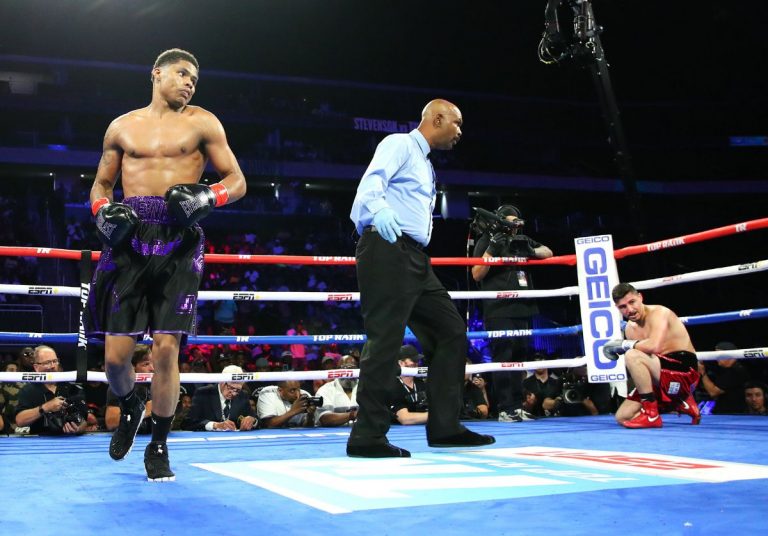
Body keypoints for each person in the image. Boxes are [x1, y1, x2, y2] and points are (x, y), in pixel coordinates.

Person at [84, 48, 247, 481]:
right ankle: (131, 404)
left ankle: (158, 444)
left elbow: (237, 180)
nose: (189, 83)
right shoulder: (122, 126)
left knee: (166, 349)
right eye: (182, 74)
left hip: (179, 237)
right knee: (115, 359)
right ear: (157, 73)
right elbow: (101, 184)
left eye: (194, 78)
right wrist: (103, 210)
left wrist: (209, 195)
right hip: (129, 235)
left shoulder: (203, 122)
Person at [348, 99, 494, 457]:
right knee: (385, 340)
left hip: (413, 256)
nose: (460, 132)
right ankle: (367, 436)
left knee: (450, 331)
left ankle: (445, 427)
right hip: (387, 246)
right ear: (438, 118)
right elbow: (370, 184)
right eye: (457, 123)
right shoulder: (399, 143)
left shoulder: (425, 163)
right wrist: (379, 211)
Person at [471, 204, 553, 423]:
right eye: (509, 222)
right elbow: (476, 274)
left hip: (523, 307)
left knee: (520, 358)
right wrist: (491, 250)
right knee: (503, 357)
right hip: (499, 309)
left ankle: (517, 406)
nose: (513, 227)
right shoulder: (486, 241)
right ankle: (505, 408)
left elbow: (548, 252)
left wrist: (531, 251)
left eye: (516, 223)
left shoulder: (521, 240)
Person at [604, 283, 701, 428]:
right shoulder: (630, 329)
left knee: (632, 354)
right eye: (623, 307)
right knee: (622, 417)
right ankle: (680, 401)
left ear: (640, 297)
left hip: (684, 371)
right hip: (659, 375)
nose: (630, 310)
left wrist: (623, 345)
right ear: (617, 308)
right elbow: (642, 365)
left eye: (632, 302)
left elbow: (654, 346)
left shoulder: (659, 313)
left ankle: (651, 414)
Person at [14, 346, 89, 435]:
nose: (53, 366)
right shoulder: (28, 390)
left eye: (55, 361)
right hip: (39, 440)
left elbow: (84, 421)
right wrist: (45, 408)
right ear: (36, 367)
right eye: (47, 362)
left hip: (71, 439)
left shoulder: (73, 388)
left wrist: (78, 428)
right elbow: (20, 421)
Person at [182, 365, 256, 431]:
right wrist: (215, 425)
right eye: (231, 388)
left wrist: (252, 420)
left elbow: (255, 418)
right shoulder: (204, 393)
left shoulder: (242, 395)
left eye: (238, 390)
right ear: (222, 382)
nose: (234, 393)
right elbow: (188, 422)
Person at [104, 345, 154, 435]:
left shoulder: (158, 385)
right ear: (132, 366)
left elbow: (169, 423)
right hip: (126, 437)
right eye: (146, 364)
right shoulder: (119, 386)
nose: (152, 368)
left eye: (153, 363)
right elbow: (112, 423)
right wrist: (145, 411)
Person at [696, 341, 749, 414]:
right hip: (724, 412)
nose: (716, 358)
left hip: (732, 414)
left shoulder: (736, 371)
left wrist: (702, 373)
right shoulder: (725, 369)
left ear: (729, 356)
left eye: (719, 355)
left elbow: (713, 392)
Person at [314, 355, 359, 427]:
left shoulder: (365, 388)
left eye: (352, 369)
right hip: (333, 433)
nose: (349, 374)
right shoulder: (325, 390)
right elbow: (325, 418)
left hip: (362, 431)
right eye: (345, 369)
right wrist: (352, 415)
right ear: (338, 370)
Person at [389, 345, 429, 426]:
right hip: (400, 432)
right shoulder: (393, 386)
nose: (416, 363)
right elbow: (405, 419)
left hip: (424, 428)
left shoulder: (421, 382)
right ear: (401, 363)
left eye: (417, 360)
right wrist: (437, 416)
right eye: (413, 360)